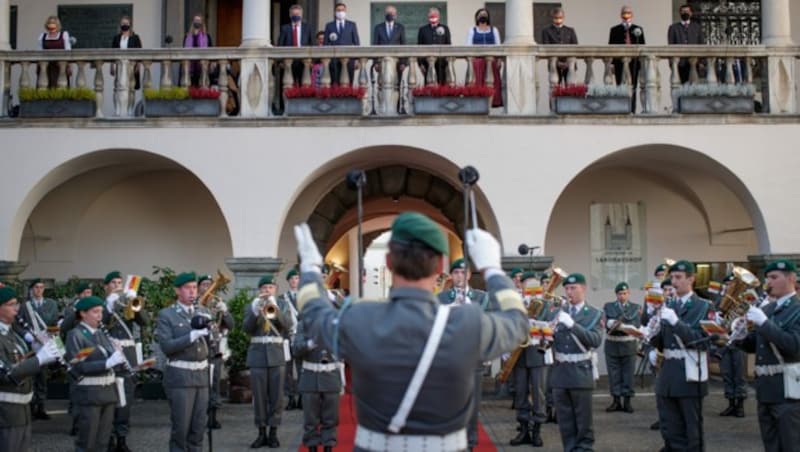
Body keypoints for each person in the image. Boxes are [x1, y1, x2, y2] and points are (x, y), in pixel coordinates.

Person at [293, 213, 528, 451]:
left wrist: (310, 269)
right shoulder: (467, 323)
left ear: (388, 262)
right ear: (438, 265)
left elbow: (312, 312)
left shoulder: (360, 318)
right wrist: (493, 269)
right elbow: (518, 322)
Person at [732, 260, 800, 452]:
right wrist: (740, 335)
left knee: (791, 443)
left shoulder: (797, 309)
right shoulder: (767, 309)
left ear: (791, 279)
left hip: (788, 390)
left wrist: (764, 324)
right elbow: (756, 346)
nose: (768, 282)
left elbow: (794, 346)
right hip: (765, 389)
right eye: (767, 278)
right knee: (770, 444)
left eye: (774, 277)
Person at [645, 261, 711, 452]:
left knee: (692, 431)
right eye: (672, 277)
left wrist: (675, 322)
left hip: (689, 373)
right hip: (667, 374)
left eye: (678, 277)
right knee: (670, 430)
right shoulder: (667, 305)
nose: (674, 282)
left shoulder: (703, 307)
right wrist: (652, 332)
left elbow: (703, 341)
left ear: (691, 279)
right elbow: (662, 343)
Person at [437, 258, 490, 449]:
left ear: (468, 275)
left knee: (472, 405)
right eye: (456, 273)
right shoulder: (442, 298)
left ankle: (470, 443)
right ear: (451, 276)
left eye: (463, 273)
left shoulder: (482, 298)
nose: (459, 276)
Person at [0, 287, 62, 451]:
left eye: (16, 304)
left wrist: (37, 350)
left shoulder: (13, 335)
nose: (16, 308)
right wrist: (39, 359)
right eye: (11, 304)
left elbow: (19, 361)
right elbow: (7, 374)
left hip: (22, 411)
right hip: (5, 413)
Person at [155, 272, 211, 452]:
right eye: (188, 288)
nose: (192, 292)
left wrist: (215, 332)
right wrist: (191, 336)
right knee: (181, 428)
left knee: (198, 427)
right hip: (180, 377)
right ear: (178, 291)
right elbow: (167, 347)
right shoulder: (167, 315)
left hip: (201, 376)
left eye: (194, 287)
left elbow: (212, 344)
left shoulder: (203, 312)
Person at [550, 273, 603, 452]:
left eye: (573, 288)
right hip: (560, 373)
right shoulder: (557, 312)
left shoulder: (594, 313)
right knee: (565, 423)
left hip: (581, 373)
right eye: (566, 288)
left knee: (583, 423)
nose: (569, 292)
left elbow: (595, 340)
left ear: (583, 288)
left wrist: (573, 325)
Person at [66, 296, 126, 452]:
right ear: (83, 314)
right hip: (89, 394)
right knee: (87, 442)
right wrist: (107, 363)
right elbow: (77, 366)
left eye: (101, 311)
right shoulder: (75, 334)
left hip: (107, 392)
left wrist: (117, 353)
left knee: (102, 442)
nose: (100, 315)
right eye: (95, 312)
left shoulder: (101, 333)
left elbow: (112, 361)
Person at [243, 274, 293, 448]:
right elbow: (247, 328)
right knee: (259, 397)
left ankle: (273, 432)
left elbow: (287, 325)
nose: (267, 290)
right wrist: (256, 310)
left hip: (276, 356)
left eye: (270, 288)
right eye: (264, 288)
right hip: (257, 356)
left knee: (276, 397)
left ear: (275, 290)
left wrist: (275, 307)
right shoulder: (252, 306)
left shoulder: (284, 304)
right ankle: (261, 432)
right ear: (259, 291)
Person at [508, 271, 556, 447]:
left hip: (537, 352)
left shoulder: (545, 304)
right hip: (519, 354)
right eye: (527, 284)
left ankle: (537, 431)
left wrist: (540, 325)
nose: (531, 288)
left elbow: (552, 327)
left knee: (538, 393)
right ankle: (523, 429)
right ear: (521, 285)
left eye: (534, 284)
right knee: (520, 392)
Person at [103, 271, 148, 452]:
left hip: (127, 355)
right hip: (109, 354)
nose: (117, 286)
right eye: (113, 283)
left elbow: (144, 322)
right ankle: (108, 437)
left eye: (120, 282)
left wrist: (135, 300)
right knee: (108, 397)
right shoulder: (100, 305)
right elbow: (100, 325)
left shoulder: (126, 306)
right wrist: (108, 306)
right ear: (106, 286)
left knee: (126, 398)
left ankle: (122, 437)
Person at [292, 318, 341, 452]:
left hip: (330, 376)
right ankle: (312, 447)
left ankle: (328, 447)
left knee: (331, 418)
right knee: (310, 419)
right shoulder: (304, 324)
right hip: (310, 377)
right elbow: (295, 350)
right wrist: (310, 343)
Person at [17, 278, 58, 421]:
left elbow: (54, 323)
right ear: (31, 290)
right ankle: (30, 407)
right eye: (36, 288)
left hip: (45, 342)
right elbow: (16, 324)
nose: (39, 290)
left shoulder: (52, 304)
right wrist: (26, 335)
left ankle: (41, 406)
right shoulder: (24, 306)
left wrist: (56, 343)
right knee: (30, 374)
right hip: (31, 344)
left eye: (41, 287)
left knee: (43, 375)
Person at [196, 274, 234, 430]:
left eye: (210, 285)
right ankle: (199, 416)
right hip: (199, 350)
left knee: (215, 384)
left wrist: (224, 312)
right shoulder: (195, 305)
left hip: (215, 350)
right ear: (199, 287)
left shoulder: (217, 305)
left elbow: (231, 325)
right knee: (200, 385)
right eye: (204, 284)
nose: (207, 288)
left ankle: (213, 417)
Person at [59, 282, 93, 436]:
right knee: (76, 387)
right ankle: (77, 422)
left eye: (90, 292)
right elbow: (64, 327)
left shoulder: (94, 309)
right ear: (79, 295)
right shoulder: (71, 310)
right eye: (85, 292)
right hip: (75, 351)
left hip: (91, 351)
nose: (88, 295)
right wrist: (76, 311)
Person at [603, 282, 642, 413]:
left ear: (628, 293)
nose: (622, 296)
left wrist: (621, 326)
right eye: (620, 293)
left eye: (625, 293)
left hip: (628, 344)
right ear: (616, 294)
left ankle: (627, 401)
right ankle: (616, 401)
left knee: (628, 374)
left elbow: (636, 324)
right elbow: (607, 322)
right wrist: (613, 324)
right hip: (612, 344)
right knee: (614, 374)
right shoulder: (608, 306)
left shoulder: (635, 307)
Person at [713, 274, 747, 418]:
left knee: (739, 374)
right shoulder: (719, 301)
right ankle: (730, 403)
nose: (729, 287)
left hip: (739, 342)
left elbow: (748, 322)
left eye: (732, 284)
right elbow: (714, 319)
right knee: (727, 374)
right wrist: (718, 319)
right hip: (723, 341)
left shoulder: (744, 302)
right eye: (727, 284)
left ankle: (740, 405)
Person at [608, 6, 645, 112]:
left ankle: (632, 109)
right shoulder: (614, 30)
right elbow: (611, 47)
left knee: (633, 86)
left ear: (632, 15)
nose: (626, 14)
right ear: (621, 15)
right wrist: (611, 64)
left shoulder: (638, 29)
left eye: (628, 12)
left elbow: (642, 46)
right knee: (620, 86)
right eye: (624, 13)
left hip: (634, 63)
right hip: (619, 63)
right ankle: (621, 109)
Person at [465, 8, 503, 108]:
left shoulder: (494, 30)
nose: (483, 16)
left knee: (492, 83)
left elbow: (498, 46)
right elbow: (468, 47)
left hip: (491, 62)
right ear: (477, 17)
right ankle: (478, 105)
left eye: (485, 14)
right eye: (480, 14)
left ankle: (492, 103)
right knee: (477, 83)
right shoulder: (472, 30)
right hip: (478, 62)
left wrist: (499, 59)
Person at [277, 4, 313, 95]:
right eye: (294, 14)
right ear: (290, 15)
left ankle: (303, 105)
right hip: (288, 62)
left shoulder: (307, 27)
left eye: (298, 14)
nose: (296, 16)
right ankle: (284, 106)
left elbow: (312, 44)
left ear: (301, 15)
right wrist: (280, 61)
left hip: (303, 61)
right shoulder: (285, 28)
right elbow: (280, 45)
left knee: (304, 84)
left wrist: (312, 60)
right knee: (287, 85)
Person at [110, 16, 143, 116]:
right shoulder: (116, 38)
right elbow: (112, 53)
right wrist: (112, 65)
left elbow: (140, 52)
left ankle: (129, 110)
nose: (124, 25)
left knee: (130, 89)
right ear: (120, 25)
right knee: (117, 88)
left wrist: (138, 65)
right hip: (119, 67)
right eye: (123, 23)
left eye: (126, 23)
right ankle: (117, 110)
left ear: (130, 25)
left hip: (131, 66)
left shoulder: (135, 37)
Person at [323, 3, 360, 85]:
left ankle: (349, 97)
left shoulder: (351, 25)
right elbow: (325, 43)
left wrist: (357, 60)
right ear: (334, 12)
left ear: (345, 11)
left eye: (342, 10)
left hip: (349, 59)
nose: (340, 12)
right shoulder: (329, 26)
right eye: (338, 10)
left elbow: (356, 42)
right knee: (334, 81)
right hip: (334, 59)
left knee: (349, 81)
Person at [667, 4, 706, 83]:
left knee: (693, 86)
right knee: (681, 85)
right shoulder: (673, 28)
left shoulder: (697, 27)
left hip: (694, 61)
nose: (685, 13)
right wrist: (671, 63)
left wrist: (702, 61)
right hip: (680, 62)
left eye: (687, 11)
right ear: (680, 13)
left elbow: (701, 44)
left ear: (691, 13)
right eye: (683, 11)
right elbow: (670, 45)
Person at [541, 7, 579, 85]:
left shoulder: (570, 31)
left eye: (560, 17)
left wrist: (567, 62)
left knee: (570, 88)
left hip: (569, 64)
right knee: (555, 88)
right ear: (552, 17)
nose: (558, 20)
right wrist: (558, 62)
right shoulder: (546, 31)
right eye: (556, 18)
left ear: (563, 17)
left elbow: (575, 47)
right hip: (555, 64)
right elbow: (546, 48)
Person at [282, 269, 302, 412]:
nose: (294, 281)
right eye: (292, 278)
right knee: (288, 370)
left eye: (296, 278)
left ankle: (301, 397)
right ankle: (290, 398)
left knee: (301, 369)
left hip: (301, 337)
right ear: (288, 281)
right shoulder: (282, 298)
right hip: (287, 337)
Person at [417, 7, 452, 85]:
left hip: (442, 63)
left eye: (435, 15)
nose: (433, 17)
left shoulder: (445, 29)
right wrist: (420, 64)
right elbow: (419, 47)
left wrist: (447, 64)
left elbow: (448, 45)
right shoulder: (423, 30)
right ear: (428, 16)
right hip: (427, 63)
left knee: (442, 85)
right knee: (429, 85)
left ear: (439, 16)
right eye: (431, 15)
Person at [38, 16, 72, 88]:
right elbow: (39, 53)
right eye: (49, 23)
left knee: (61, 86)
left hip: (60, 66)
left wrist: (69, 66)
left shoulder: (64, 35)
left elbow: (68, 51)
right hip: (47, 67)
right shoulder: (42, 36)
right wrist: (38, 67)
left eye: (53, 23)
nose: (51, 25)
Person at [183, 14, 215, 87]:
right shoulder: (187, 36)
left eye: (198, 20)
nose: (197, 22)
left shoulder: (207, 36)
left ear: (202, 23)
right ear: (193, 22)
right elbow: (183, 50)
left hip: (202, 66)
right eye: (195, 20)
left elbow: (211, 50)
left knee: (201, 85)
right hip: (190, 66)